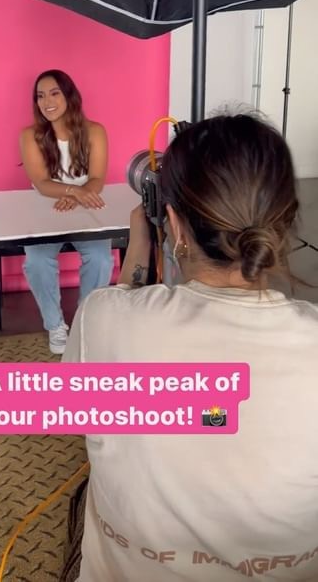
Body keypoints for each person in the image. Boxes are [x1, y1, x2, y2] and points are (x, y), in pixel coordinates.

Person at [62, 112, 318, 582]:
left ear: (175, 226)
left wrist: (138, 248)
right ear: (284, 224)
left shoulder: (105, 320)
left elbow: (69, 408)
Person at [20, 69, 114, 354]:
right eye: (40, 96)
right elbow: (41, 182)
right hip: (47, 208)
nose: (46, 101)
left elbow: (97, 178)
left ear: (69, 95)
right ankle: (55, 325)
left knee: (100, 258)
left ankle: (85, 320)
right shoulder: (30, 136)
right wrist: (74, 191)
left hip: (86, 206)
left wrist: (76, 196)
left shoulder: (95, 131)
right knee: (37, 260)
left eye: (54, 93)